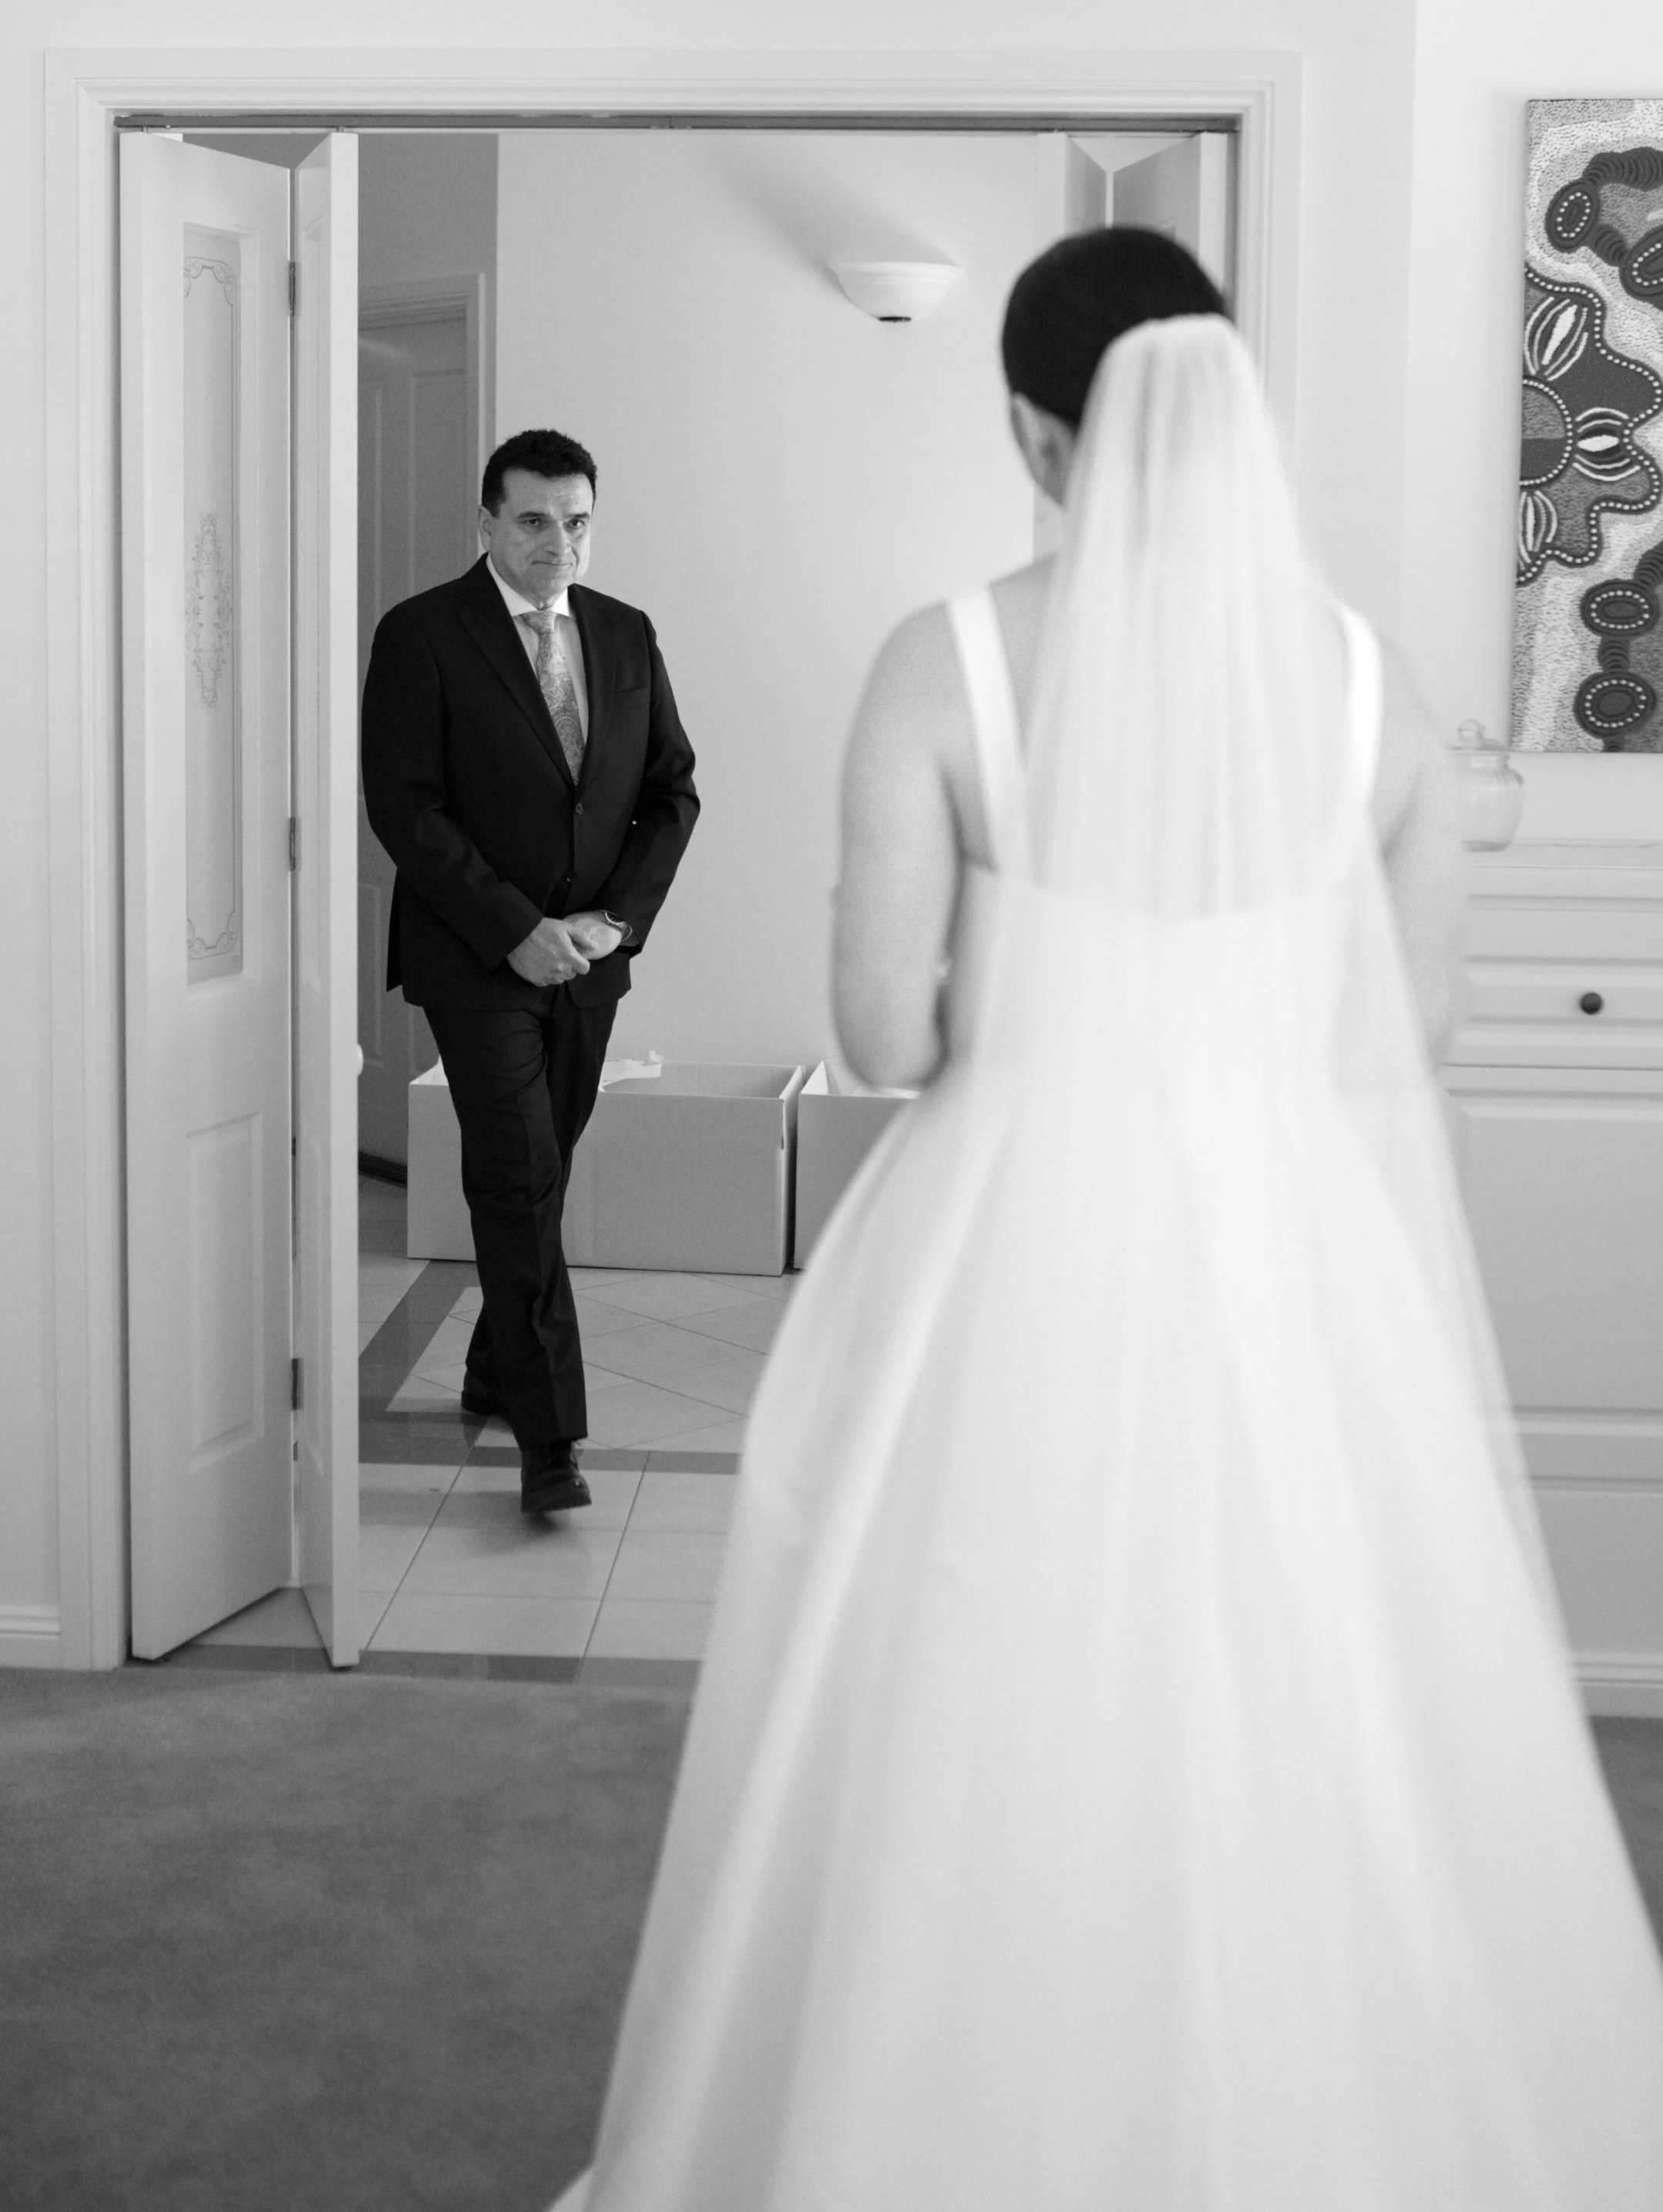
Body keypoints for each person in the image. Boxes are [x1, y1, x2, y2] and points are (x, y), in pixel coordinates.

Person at [550, 234, 1663, 2210]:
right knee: (1304, 1695)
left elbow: (881, 1028)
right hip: (1286, 1262)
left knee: (985, 1707)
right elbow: (1398, 1031)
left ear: (1024, 426)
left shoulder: (948, 657)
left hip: (1019, 1255)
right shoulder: (1360, 682)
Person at [361, 428, 697, 1516]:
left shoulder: (626, 634)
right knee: (514, 1175)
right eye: (535, 521)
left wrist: (613, 922)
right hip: (475, 958)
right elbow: (404, 804)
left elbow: (671, 792)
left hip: (591, 961)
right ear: (487, 522)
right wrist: (515, 927)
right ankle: (550, 1443)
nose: (560, 543)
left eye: (578, 522)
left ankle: (491, 1365)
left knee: (539, 1172)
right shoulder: (421, 635)